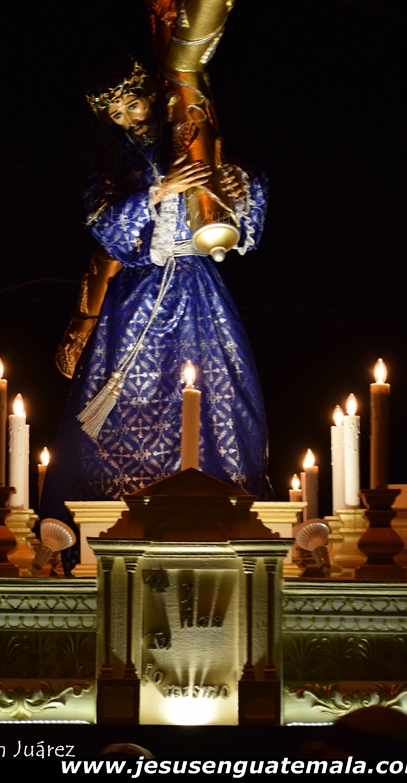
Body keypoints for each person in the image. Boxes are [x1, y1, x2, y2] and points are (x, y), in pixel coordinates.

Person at [40, 59, 269, 571]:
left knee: (219, 393)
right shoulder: (110, 164)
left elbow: (238, 212)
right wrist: (158, 192)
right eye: (116, 114)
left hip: (198, 291)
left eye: (133, 104)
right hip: (136, 296)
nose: (128, 118)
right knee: (124, 402)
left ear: (151, 98)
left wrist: (237, 187)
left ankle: (215, 510)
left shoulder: (187, 140)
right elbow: (103, 224)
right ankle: (106, 522)